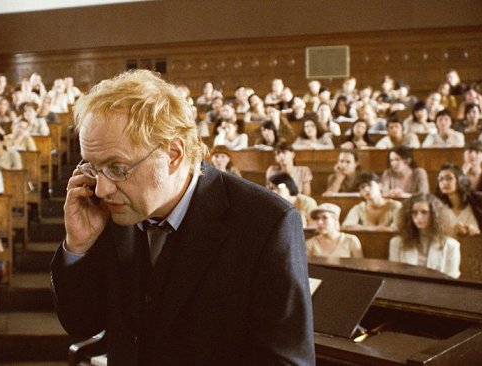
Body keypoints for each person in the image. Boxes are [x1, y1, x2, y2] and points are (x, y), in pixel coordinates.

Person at [51, 70, 314, 364]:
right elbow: (82, 324)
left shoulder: (267, 222)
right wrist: (78, 247)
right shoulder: (106, 209)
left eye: (117, 167)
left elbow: (286, 360)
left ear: (173, 154)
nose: (101, 187)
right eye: (93, 167)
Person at [389, 193, 460, 278]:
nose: (418, 217)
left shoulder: (451, 245)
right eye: (414, 213)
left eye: (424, 212)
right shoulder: (396, 243)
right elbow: (395, 276)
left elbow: (452, 279)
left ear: (434, 214)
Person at [435, 164, 482, 235]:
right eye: (440, 179)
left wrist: (478, 232)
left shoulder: (480, 200)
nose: (444, 183)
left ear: (460, 179)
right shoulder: (436, 205)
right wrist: (452, 231)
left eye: (449, 178)